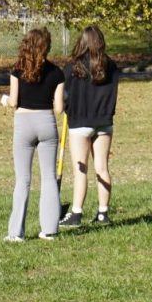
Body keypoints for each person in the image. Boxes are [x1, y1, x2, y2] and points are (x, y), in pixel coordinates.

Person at [3, 28, 65, 242]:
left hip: (23, 123)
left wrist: (3, 100)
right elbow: (59, 108)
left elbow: (13, 102)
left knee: (23, 180)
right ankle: (49, 229)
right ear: (46, 47)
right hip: (47, 123)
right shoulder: (57, 73)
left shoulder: (17, 70)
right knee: (48, 177)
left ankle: (15, 232)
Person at [60, 25, 119, 228]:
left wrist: (68, 108)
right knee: (102, 167)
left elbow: (64, 95)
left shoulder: (72, 68)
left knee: (81, 169)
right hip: (103, 122)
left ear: (82, 43)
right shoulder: (110, 66)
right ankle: (103, 212)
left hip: (80, 123)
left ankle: (76, 212)